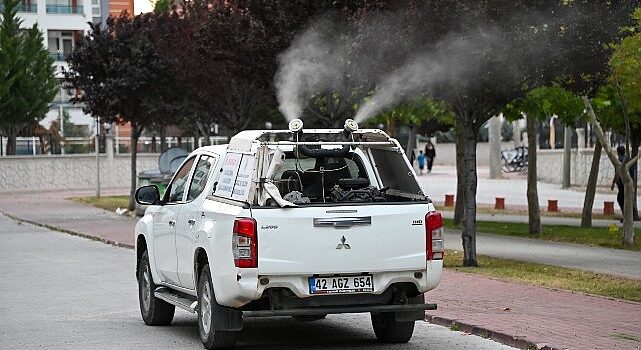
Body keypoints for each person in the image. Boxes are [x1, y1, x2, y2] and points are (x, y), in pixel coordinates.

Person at [611, 146, 640, 222]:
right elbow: (633, 172)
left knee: (620, 199)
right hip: (629, 183)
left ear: (618, 152)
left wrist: (613, 183)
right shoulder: (629, 160)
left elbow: (618, 172)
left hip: (622, 183)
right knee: (626, 199)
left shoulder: (620, 160)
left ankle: (627, 216)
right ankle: (629, 215)